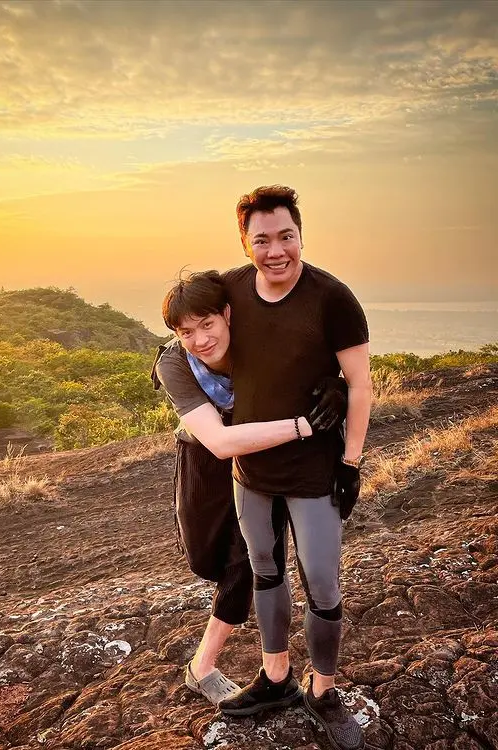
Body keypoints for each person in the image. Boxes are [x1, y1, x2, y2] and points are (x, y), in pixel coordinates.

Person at [216, 185, 371, 750]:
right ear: (244, 242)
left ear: (301, 235)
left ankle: (323, 691)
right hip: (251, 471)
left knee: (323, 585)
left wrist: (350, 463)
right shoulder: (230, 290)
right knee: (266, 572)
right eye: (262, 240)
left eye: (286, 236)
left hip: (313, 471)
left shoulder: (333, 298)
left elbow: (360, 384)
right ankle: (276, 676)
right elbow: (192, 334)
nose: (276, 250)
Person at [151, 270, 348, 706]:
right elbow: (219, 442)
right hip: (206, 458)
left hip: (266, 459)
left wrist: (335, 382)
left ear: (226, 314)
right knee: (207, 556)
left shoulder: (254, 337)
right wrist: (305, 425)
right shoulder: (175, 363)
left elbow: (305, 351)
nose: (200, 339)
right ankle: (232, 666)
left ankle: (210, 665)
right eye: (186, 332)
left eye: (207, 324)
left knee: (251, 559)